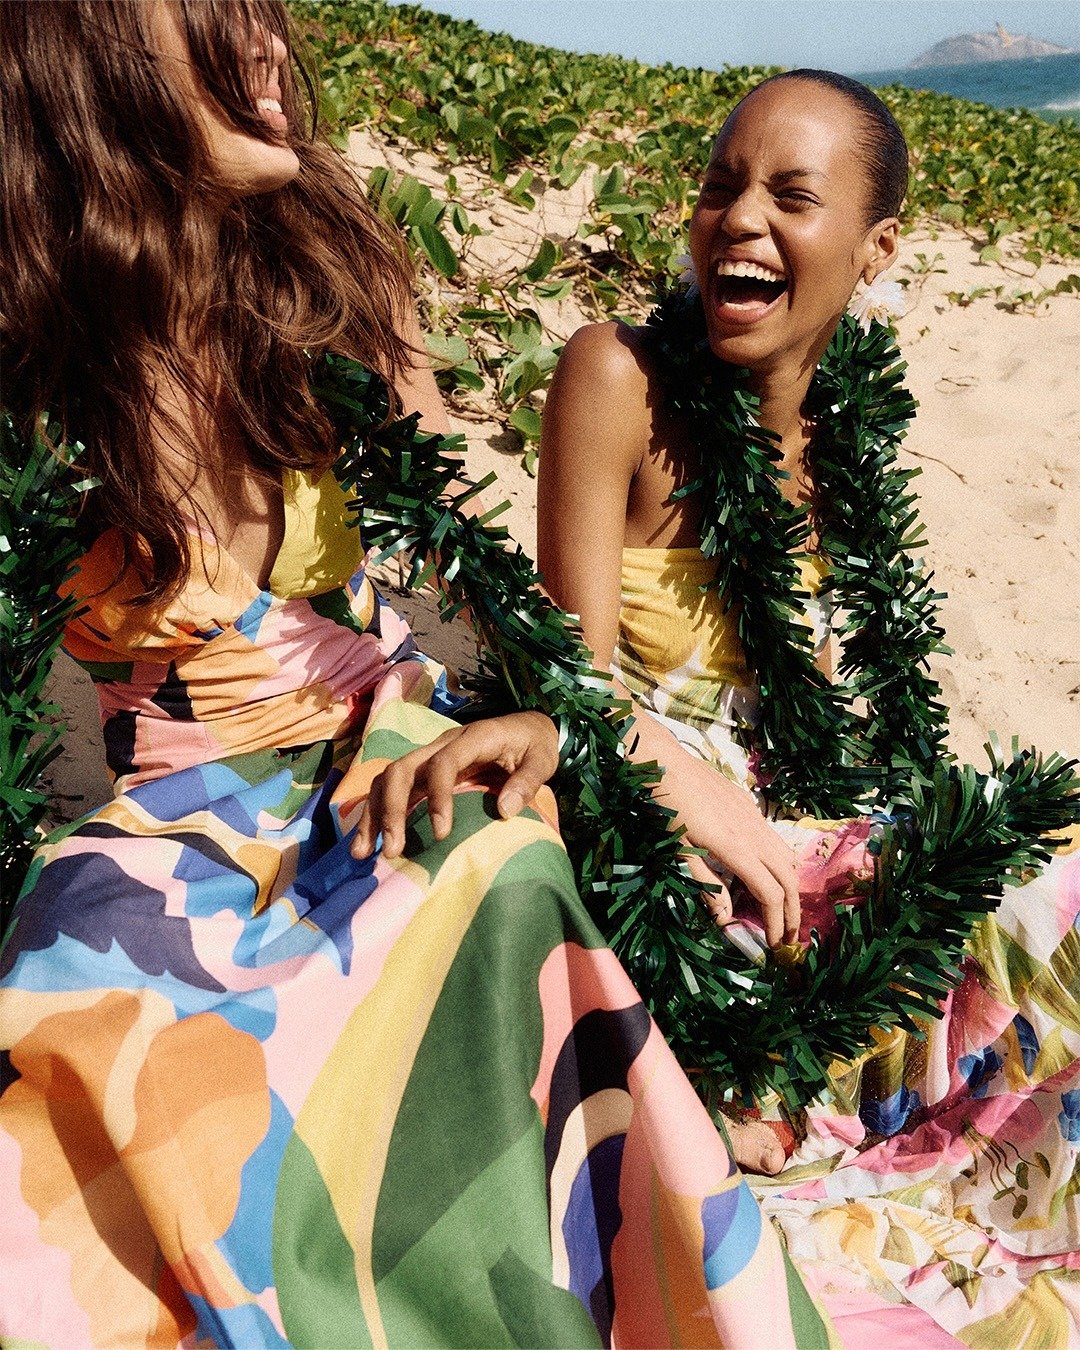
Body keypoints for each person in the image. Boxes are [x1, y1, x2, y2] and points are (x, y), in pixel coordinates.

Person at [0, 6, 833, 1345]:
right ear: (85, 57)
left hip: (380, 739)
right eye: (214, 20)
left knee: (494, 862)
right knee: (83, 1038)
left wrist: (637, 749)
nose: (269, 50)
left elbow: (477, 568)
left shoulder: (319, 275)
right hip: (172, 816)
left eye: (265, 15)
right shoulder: (40, 344)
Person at [538, 70, 1080, 1343]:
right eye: (722, 184)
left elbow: (859, 708)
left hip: (827, 832)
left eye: (791, 196)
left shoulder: (848, 424)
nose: (740, 217)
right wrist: (684, 778)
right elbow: (560, 673)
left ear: (875, 250)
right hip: (678, 855)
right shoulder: (619, 377)